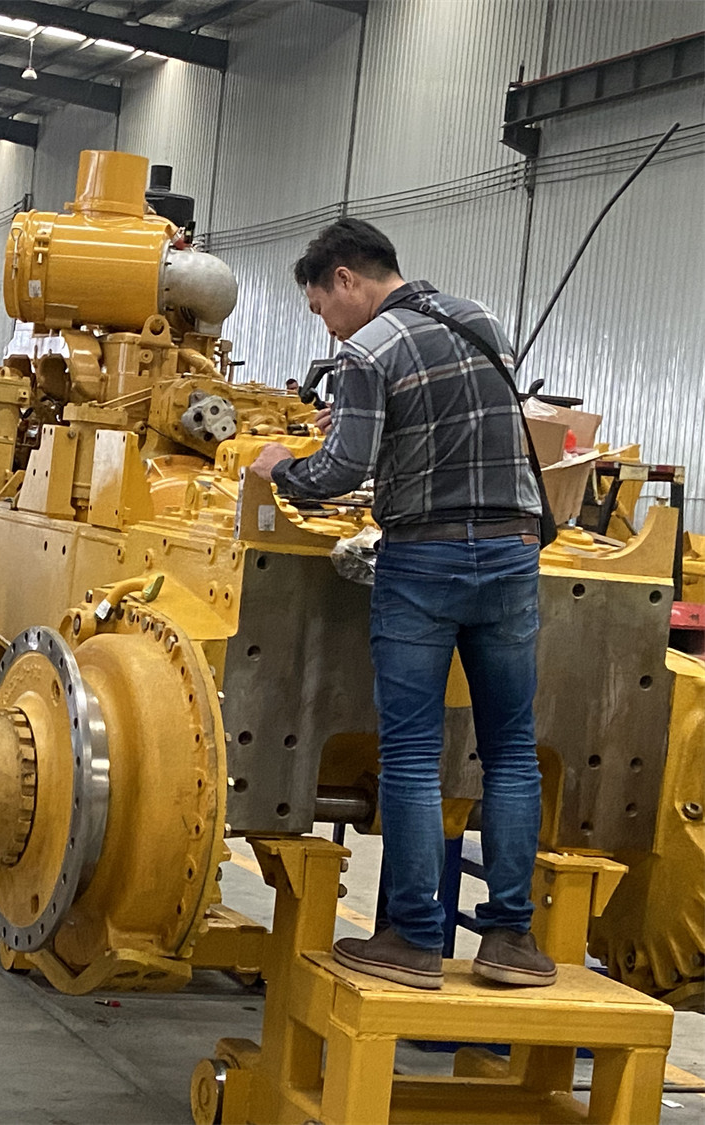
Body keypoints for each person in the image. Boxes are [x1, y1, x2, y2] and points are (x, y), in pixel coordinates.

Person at [248, 218, 555, 991]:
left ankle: (415, 940)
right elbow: (455, 429)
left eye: (321, 306)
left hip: (426, 559)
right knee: (511, 750)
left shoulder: (368, 349)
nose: (326, 322)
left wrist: (280, 465)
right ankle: (511, 939)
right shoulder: (483, 320)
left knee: (413, 753)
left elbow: (339, 474)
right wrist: (363, 425)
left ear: (345, 279)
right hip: (514, 551)